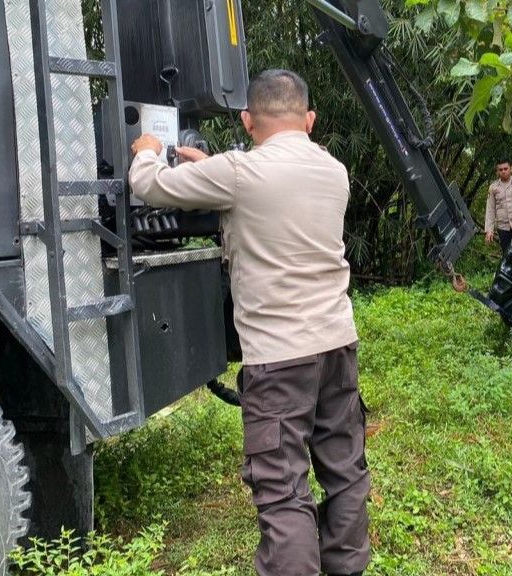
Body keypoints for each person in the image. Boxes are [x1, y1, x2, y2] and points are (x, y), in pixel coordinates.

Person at [128, 69, 369, 576]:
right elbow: (273, 185)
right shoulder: (334, 169)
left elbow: (150, 186)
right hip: (337, 345)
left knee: (282, 488)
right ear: (309, 119)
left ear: (246, 119)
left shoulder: (238, 173)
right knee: (344, 470)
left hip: (279, 358)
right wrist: (217, 165)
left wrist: (148, 148)